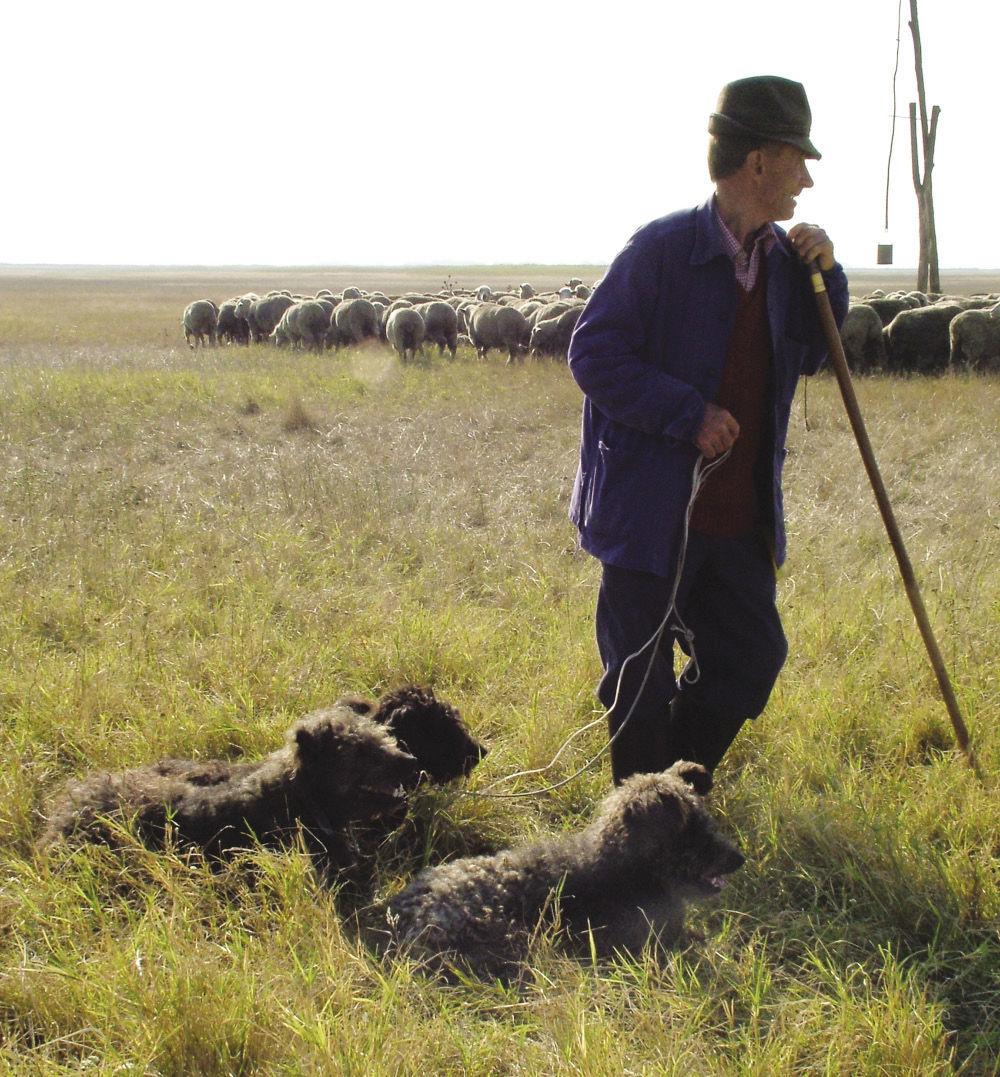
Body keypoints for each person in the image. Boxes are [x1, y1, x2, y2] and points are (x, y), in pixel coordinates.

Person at [567, 75, 849, 785]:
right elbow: (592, 351)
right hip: (650, 513)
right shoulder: (659, 251)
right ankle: (635, 844)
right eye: (797, 159)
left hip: (736, 517)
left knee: (751, 655)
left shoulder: (788, 265)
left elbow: (815, 353)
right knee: (639, 684)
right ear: (758, 163)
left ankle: (667, 794)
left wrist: (830, 275)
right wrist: (686, 413)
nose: (807, 180)